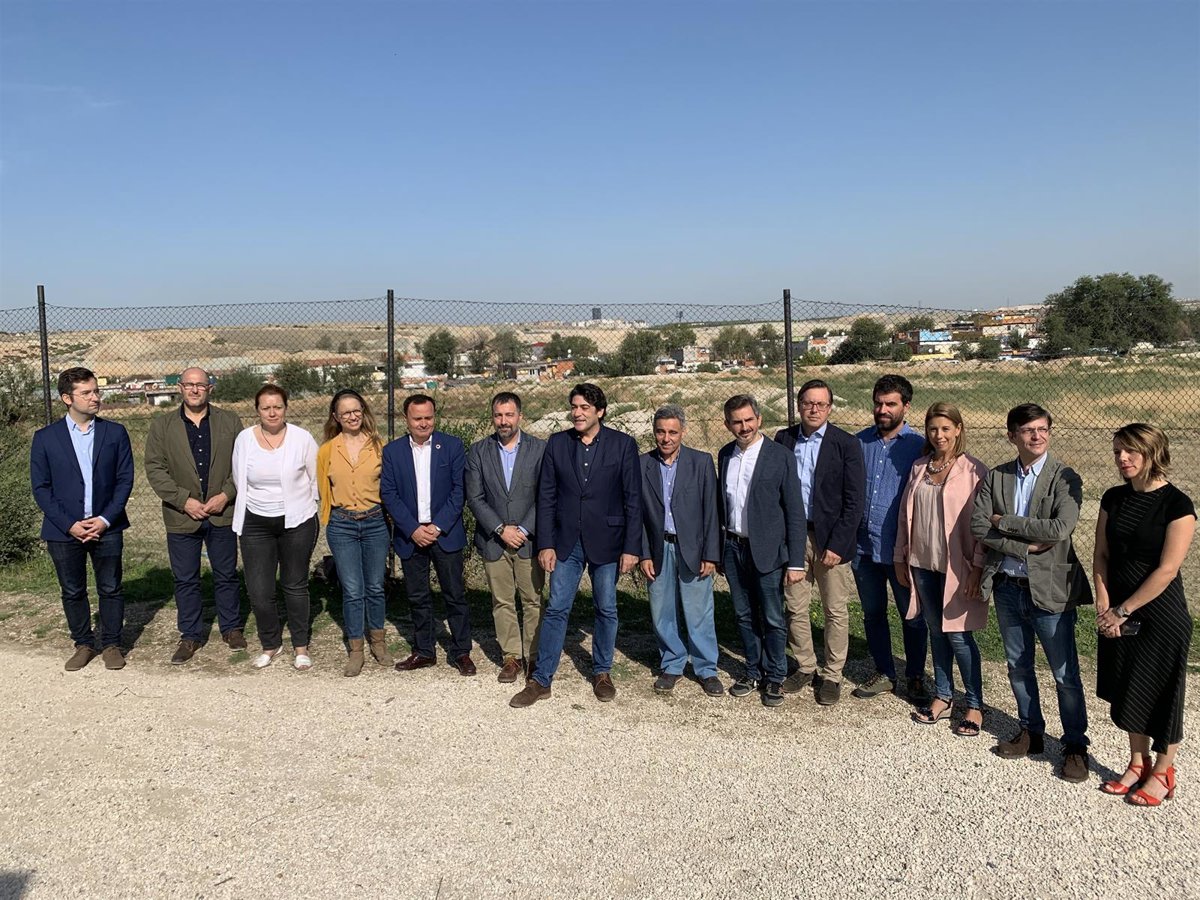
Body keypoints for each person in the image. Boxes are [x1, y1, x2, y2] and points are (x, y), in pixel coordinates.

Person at [971, 403, 1093, 783]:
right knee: (1018, 666)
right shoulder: (997, 477)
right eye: (1028, 430)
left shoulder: (1064, 478)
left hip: (1051, 590)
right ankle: (1031, 731)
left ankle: (1075, 746)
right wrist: (1023, 547)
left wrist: (1004, 522)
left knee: (1064, 674)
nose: (1037, 436)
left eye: (1043, 429)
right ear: (1012, 436)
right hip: (1008, 587)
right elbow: (979, 525)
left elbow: (1059, 528)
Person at [509, 383, 641, 707]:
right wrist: (546, 543)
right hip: (566, 542)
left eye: (584, 407)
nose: (577, 413)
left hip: (608, 542)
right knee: (556, 608)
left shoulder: (622, 445)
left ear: (600, 411)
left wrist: (631, 547)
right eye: (574, 407)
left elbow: (633, 500)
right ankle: (541, 680)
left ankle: (602, 672)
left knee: (606, 608)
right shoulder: (557, 444)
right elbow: (547, 497)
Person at [1094, 423, 1195, 806]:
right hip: (1117, 609)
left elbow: (1167, 569)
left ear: (1153, 453)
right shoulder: (1113, 498)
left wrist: (1122, 610)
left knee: (1163, 692)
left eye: (1131, 451)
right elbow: (1101, 554)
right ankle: (1138, 763)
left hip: (1161, 614)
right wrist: (1104, 605)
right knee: (1128, 687)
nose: (1122, 458)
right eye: (1117, 451)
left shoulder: (1177, 505)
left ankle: (1164, 771)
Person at [893, 403, 989, 735]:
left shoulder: (974, 470)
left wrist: (978, 567)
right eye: (933, 428)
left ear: (958, 429)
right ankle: (944, 696)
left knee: (959, 636)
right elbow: (904, 516)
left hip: (958, 568)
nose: (939, 435)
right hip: (922, 563)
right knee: (936, 632)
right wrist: (900, 556)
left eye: (946, 428)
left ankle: (974, 704)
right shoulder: (920, 466)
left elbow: (982, 526)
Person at [30, 367, 134, 671]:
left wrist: (105, 519)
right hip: (64, 531)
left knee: (110, 587)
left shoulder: (115, 433)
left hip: (107, 527)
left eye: (96, 391)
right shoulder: (45, 438)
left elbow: (125, 480)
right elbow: (41, 488)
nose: (95, 397)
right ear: (67, 398)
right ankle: (84, 644)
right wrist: (70, 524)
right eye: (86, 393)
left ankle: (112, 644)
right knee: (72, 590)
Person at [144, 367, 243, 665]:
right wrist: (183, 500)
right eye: (189, 384)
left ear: (210, 388)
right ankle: (190, 635)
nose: (195, 390)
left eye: (201, 385)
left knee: (226, 574)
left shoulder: (230, 421)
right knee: (186, 579)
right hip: (181, 516)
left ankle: (231, 628)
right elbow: (155, 468)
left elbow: (243, 464)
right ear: (180, 388)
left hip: (221, 511)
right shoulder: (162, 426)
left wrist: (226, 495)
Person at [774, 380, 864, 705]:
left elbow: (854, 501)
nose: (814, 409)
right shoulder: (783, 439)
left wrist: (838, 544)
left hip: (830, 540)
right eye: (808, 403)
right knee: (795, 606)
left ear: (829, 408)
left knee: (834, 609)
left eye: (821, 404)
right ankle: (805, 666)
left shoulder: (846, 444)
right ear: (799, 405)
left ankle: (832, 674)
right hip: (795, 536)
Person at [717, 394, 806, 708]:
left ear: (759, 419)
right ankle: (752, 671)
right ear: (728, 424)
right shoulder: (725, 454)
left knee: (772, 617)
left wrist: (796, 561)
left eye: (749, 420)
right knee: (743, 615)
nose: (744, 427)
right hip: (733, 548)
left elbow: (794, 511)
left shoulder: (780, 456)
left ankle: (775, 676)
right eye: (737, 422)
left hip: (768, 551)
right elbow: (722, 505)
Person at [381, 394, 474, 676]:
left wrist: (437, 526)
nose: (423, 423)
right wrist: (412, 529)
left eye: (428, 417)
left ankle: (461, 651)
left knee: (454, 594)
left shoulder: (452, 446)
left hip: (444, 533)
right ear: (406, 419)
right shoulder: (393, 451)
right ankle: (424, 651)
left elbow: (459, 491)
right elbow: (389, 493)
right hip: (411, 535)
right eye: (417, 418)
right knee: (417, 596)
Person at [853, 374, 930, 703]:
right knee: (873, 614)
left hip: (901, 551)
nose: (882, 410)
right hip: (863, 549)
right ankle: (884, 671)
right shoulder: (859, 443)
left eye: (890, 404)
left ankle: (915, 676)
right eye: (878, 403)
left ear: (906, 406)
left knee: (912, 616)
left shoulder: (919, 446)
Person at [231, 384, 320, 670]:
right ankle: (270, 644)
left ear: (286, 408)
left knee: (295, 584)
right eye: (266, 407)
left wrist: (306, 505)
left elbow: (315, 478)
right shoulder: (245, 439)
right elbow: (238, 478)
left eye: (277, 407)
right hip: (256, 522)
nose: (272, 413)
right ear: (257, 410)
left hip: (297, 520)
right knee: (259, 590)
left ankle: (301, 646)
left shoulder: (302, 438)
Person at [639, 404, 723, 697]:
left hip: (693, 548)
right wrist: (644, 553)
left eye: (672, 432)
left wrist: (711, 553)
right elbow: (637, 515)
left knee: (698, 611)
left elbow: (711, 511)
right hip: (658, 547)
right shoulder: (643, 464)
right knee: (661, 609)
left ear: (683, 432)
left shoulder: (701, 462)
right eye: (661, 432)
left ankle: (706, 668)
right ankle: (672, 663)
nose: (666, 438)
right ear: (654, 432)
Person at [465, 391, 546, 683]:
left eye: (509, 415)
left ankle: (534, 657)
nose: (504, 421)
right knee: (502, 601)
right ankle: (511, 657)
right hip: (494, 540)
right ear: (492, 417)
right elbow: (475, 497)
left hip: (529, 540)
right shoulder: (478, 451)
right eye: (498, 415)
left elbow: (545, 495)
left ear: (519, 416)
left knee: (533, 600)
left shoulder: (540, 449)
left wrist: (523, 529)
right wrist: (501, 529)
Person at [317, 388, 392, 677]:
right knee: (352, 589)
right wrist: (329, 518)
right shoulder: (327, 451)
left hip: (375, 522)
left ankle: (379, 642)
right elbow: (323, 489)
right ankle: (356, 649)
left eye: (356, 410)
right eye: (345, 412)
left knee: (375, 586)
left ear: (363, 412)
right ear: (336, 417)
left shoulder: (378, 446)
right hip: (342, 524)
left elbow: (388, 485)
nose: (352, 416)